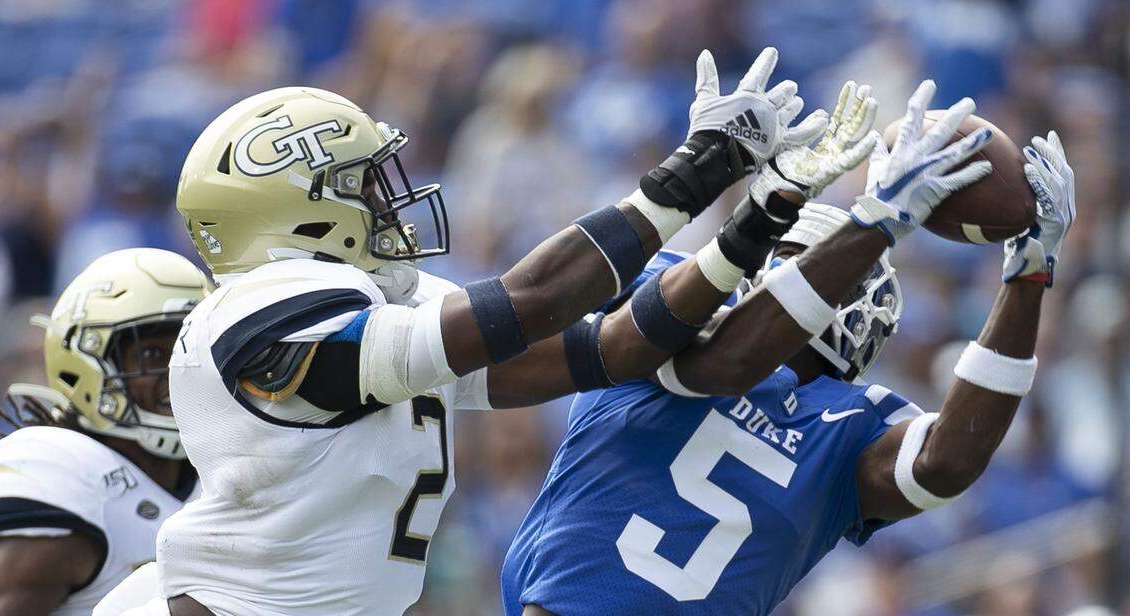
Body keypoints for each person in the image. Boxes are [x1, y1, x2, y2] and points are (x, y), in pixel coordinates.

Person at [98, 48, 897, 616]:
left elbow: (615, 348)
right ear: (295, 207)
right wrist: (695, 173)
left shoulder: (382, 305)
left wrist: (760, 216)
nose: (387, 202)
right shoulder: (257, 312)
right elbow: (527, 300)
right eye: (360, 185)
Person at [500, 115, 1075, 614]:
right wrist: (874, 224)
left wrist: (1027, 275)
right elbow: (726, 359)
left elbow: (946, 463)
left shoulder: (851, 425)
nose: (852, 294)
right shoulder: (678, 300)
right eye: (834, 270)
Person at [0, 248, 209, 616]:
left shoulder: (223, 465)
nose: (179, 371)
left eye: (191, 350)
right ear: (89, 361)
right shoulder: (67, 478)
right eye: (153, 355)